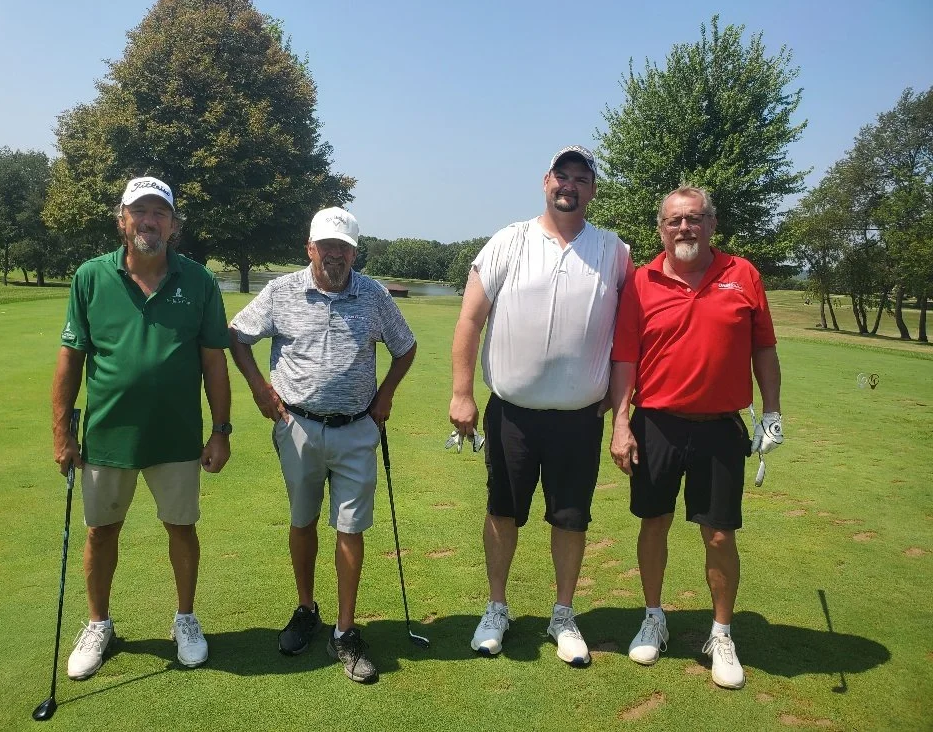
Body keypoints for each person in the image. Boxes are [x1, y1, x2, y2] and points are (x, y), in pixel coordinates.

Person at [449, 146, 631, 666]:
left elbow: (627, 341)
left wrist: (621, 411)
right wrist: (462, 393)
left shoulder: (614, 251)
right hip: (513, 414)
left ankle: (563, 614)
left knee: (571, 518)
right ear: (545, 181)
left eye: (581, 178)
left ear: (592, 189)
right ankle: (497, 608)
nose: (568, 185)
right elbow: (469, 321)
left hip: (578, 419)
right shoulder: (509, 241)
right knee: (503, 510)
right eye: (561, 175)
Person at [52, 176, 232, 680]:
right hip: (108, 435)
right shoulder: (90, 277)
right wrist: (62, 431)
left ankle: (185, 620)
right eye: (139, 212)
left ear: (173, 224)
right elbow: (70, 358)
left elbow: (213, 361)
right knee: (101, 530)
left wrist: (221, 430)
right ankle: (98, 624)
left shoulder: (198, 280)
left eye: (159, 213)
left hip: (176, 436)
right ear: (122, 219)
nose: (149, 221)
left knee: (181, 527)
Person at [228, 207, 417, 684]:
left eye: (344, 247)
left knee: (350, 530)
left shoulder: (372, 295)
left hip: (356, 430)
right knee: (303, 520)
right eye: (326, 245)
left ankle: (346, 629)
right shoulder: (282, 291)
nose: (335, 254)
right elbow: (237, 335)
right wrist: (259, 389)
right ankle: (306, 608)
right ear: (309, 247)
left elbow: (405, 346)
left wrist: (386, 395)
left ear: (355, 251)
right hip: (298, 427)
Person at [607, 185, 784, 689]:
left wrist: (771, 413)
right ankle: (653, 616)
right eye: (675, 220)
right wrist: (621, 424)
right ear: (661, 229)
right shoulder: (641, 281)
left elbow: (764, 351)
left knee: (720, 533)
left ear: (712, 224)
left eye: (695, 218)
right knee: (653, 522)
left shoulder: (742, 274)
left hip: (721, 427)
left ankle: (722, 634)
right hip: (657, 424)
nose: (685, 228)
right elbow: (625, 359)